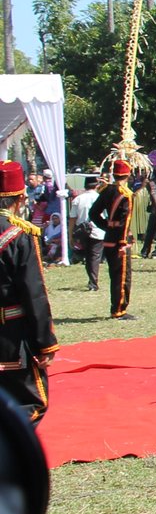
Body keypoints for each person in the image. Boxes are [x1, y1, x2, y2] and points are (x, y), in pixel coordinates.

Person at [0, 163, 56, 423]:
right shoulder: (18, 236)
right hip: (11, 334)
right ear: (21, 197)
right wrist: (45, 343)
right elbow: (34, 294)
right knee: (30, 403)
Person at [89, 161, 137, 321]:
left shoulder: (107, 190)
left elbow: (93, 213)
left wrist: (107, 227)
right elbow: (125, 221)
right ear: (128, 175)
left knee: (114, 275)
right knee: (122, 276)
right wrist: (123, 242)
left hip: (109, 238)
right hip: (119, 241)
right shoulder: (125, 194)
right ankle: (119, 310)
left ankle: (116, 308)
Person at [70, 180, 105, 289]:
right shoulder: (101, 198)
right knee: (94, 256)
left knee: (88, 256)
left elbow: (72, 219)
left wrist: (70, 234)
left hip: (83, 232)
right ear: (97, 185)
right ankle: (93, 282)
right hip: (98, 230)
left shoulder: (78, 199)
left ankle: (92, 280)